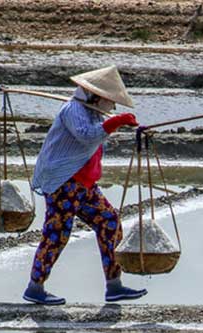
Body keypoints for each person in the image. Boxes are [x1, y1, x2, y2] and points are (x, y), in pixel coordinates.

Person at [24, 66, 147, 305]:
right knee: (57, 233)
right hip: (63, 181)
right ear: (97, 96)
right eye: (111, 102)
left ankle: (114, 285)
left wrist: (125, 126)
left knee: (109, 222)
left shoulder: (92, 113)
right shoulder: (73, 109)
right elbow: (87, 136)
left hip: (85, 184)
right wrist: (116, 123)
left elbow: (95, 136)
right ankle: (35, 287)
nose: (112, 108)